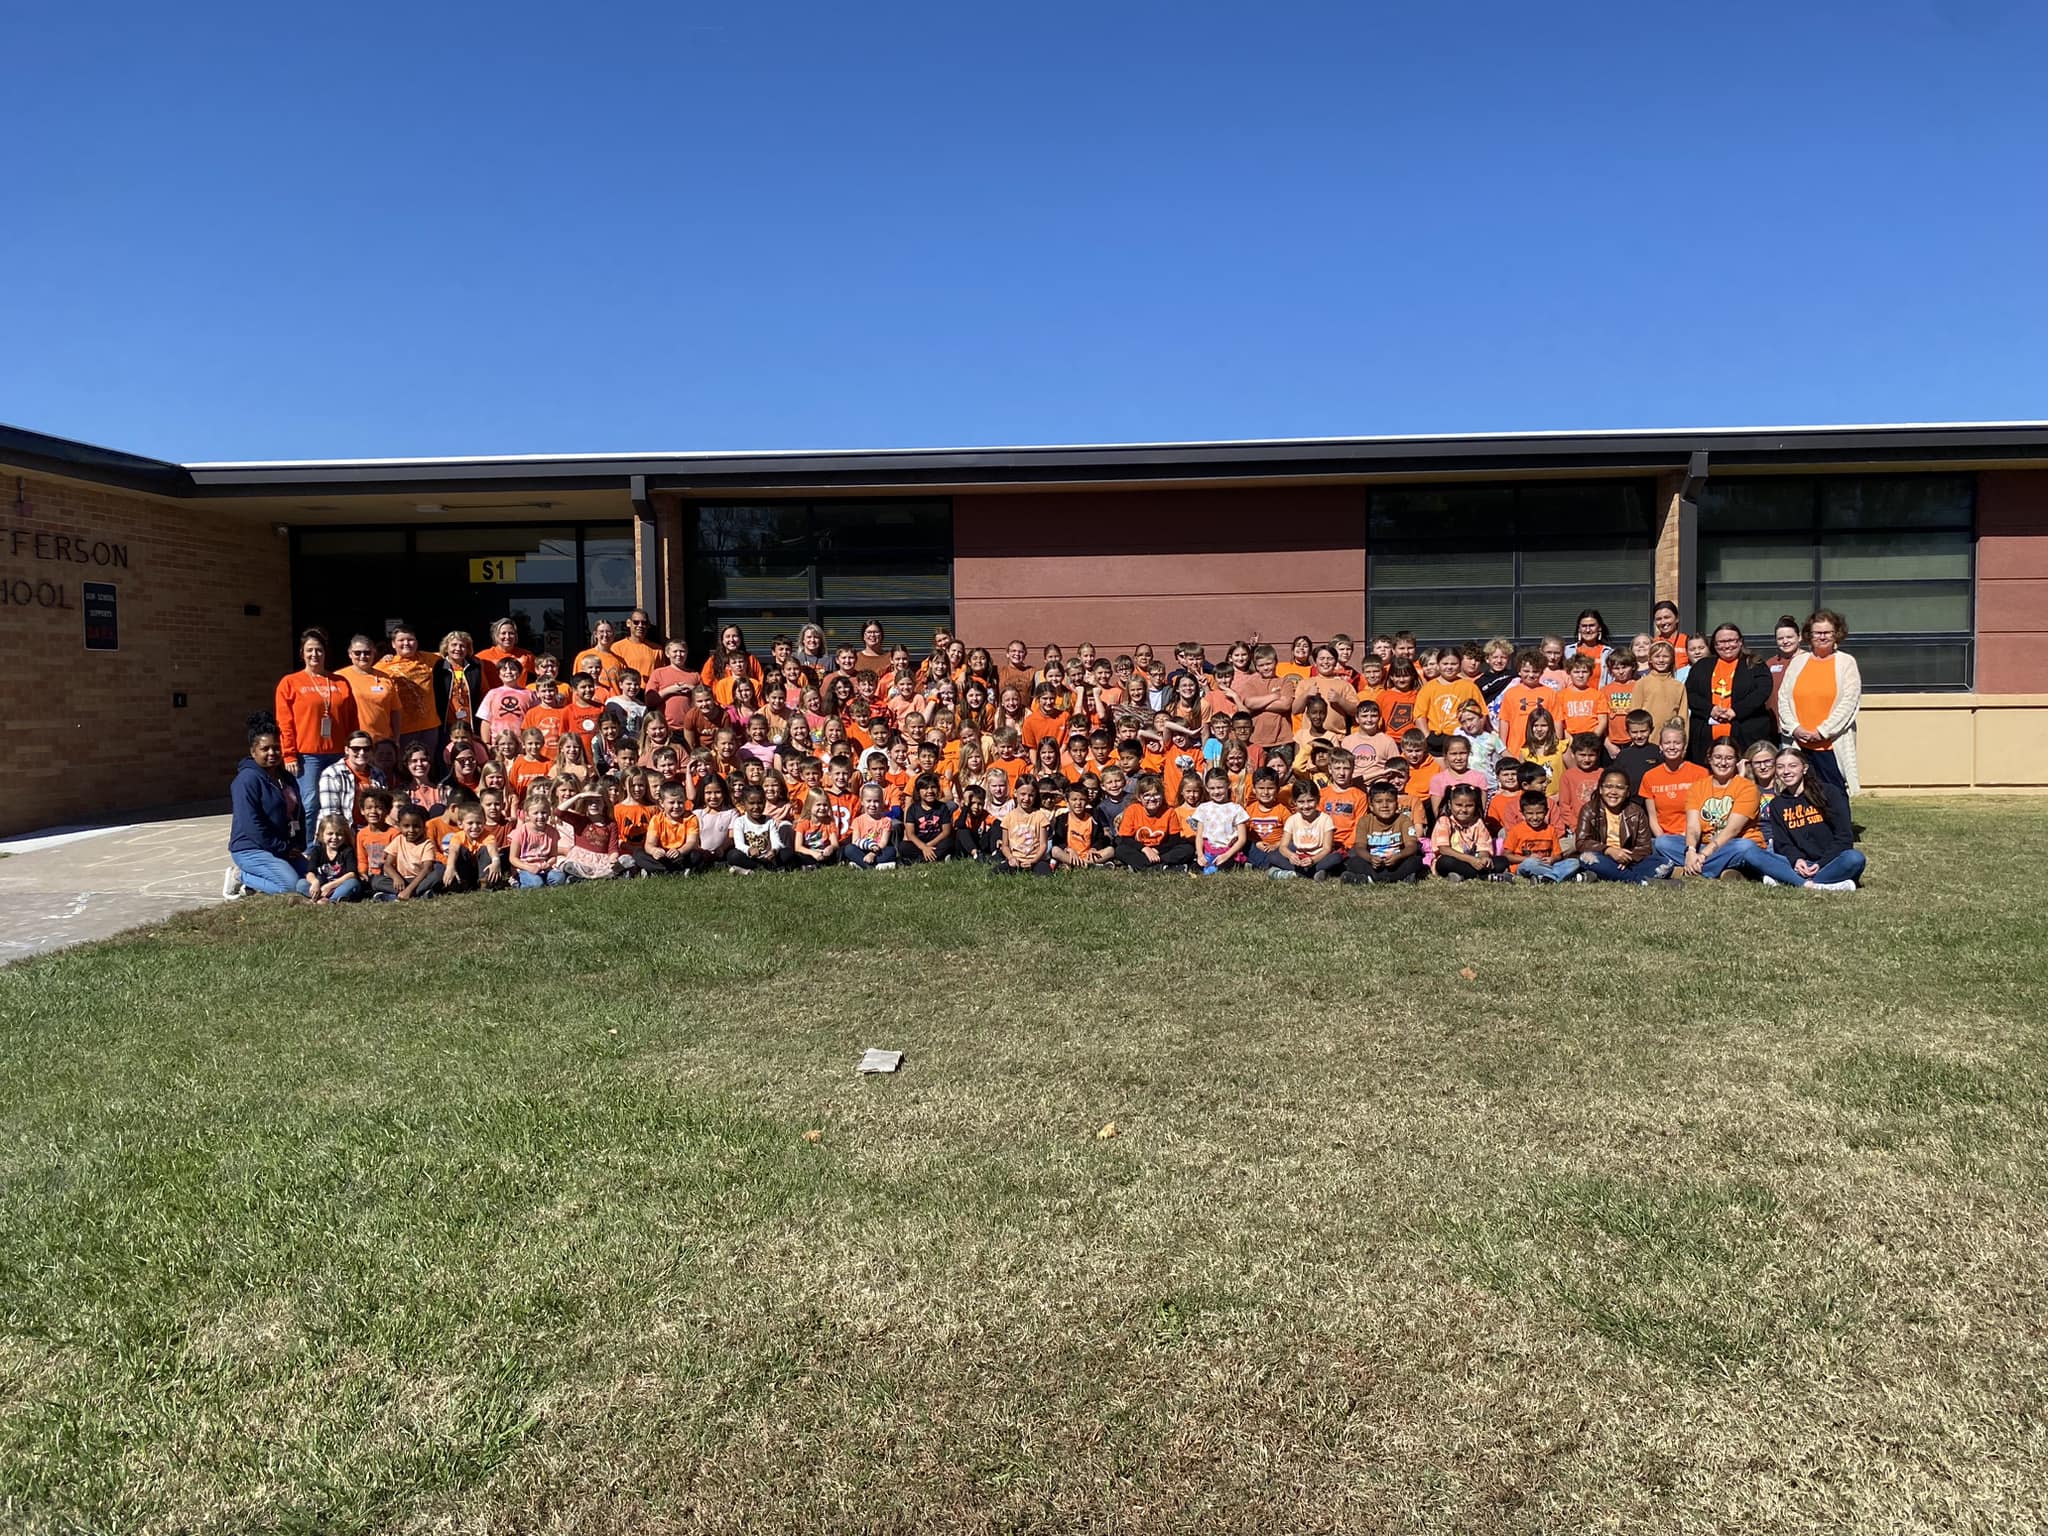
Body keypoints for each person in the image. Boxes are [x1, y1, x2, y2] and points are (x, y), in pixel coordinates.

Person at [274, 628, 358, 855]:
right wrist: (289, 753)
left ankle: (341, 849)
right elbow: (285, 722)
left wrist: (353, 748)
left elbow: (352, 718)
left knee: (341, 803)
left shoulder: (340, 681)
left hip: (339, 753)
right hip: (308, 755)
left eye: (319, 650)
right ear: (302, 653)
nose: (314, 654)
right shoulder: (290, 682)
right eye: (309, 650)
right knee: (311, 804)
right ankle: (309, 851)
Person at [1776, 609, 1863, 797]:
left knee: (1833, 795)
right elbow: (1783, 697)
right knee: (1802, 794)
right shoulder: (1798, 662)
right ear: (1809, 634)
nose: (1822, 637)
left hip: (1830, 745)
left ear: (1836, 634)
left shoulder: (1846, 662)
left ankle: (1838, 827)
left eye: (1827, 632)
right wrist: (1795, 728)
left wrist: (1822, 732)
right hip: (1800, 744)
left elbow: (1849, 703)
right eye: (1817, 632)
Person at [1755, 748, 1866, 890]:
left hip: (1830, 861)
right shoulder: (1777, 804)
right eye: (1780, 767)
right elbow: (1783, 843)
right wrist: (1797, 860)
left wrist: (1821, 864)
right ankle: (1824, 885)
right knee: (1757, 855)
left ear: (1804, 768)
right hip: (1799, 864)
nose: (1786, 771)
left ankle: (1795, 881)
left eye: (1793, 766)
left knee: (1854, 858)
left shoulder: (1828, 792)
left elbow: (1844, 837)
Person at [227, 715, 311, 897]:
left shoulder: (286, 777)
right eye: (265, 749)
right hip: (251, 848)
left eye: (276, 748)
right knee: (289, 887)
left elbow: (298, 814)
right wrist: (283, 848)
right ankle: (240, 876)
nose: (272, 753)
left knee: (313, 877)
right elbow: (252, 825)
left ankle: (266, 881)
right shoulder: (247, 780)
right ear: (253, 752)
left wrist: (298, 844)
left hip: (282, 848)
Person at [1658, 739, 1767, 879]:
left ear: (1736, 761)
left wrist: (1703, 855)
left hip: (1732, 845)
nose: (1722, 763)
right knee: (1663, 842)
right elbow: (1692, 826)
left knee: (1745, 847)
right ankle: (1720, 869)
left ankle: (1692, 870)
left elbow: (1731, 830)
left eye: (1729, 758)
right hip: (1705, 845)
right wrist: (1690, 851)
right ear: (1709, 759)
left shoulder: (1747, 788)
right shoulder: (1698, 787)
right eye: (1718, 757)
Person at [1684, 625, 1773, 763]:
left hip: (1745, 735)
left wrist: (1736, 711)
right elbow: (1690, 693)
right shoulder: (1701, 666)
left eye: (1731, 640)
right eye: (1722, 642)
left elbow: (1762, 691)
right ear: (1714, 644)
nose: (1727, 646)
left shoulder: (1755, 664)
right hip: (1706, 738)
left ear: (1740, 642)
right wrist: (1710, 710)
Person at [1575, 768, 1659, 883]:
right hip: (1602, 856)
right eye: (1608, 787)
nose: (1613, 792)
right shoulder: (1589, 810)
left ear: (1627, 792)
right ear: (1600, 789)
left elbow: (1644, 847)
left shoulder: (1636, 812)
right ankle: (1638, 880)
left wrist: (1627, 859)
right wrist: (1608, 850)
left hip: (1628, 861)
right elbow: (1582, 842)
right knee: (1586, 858)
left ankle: (1605, 874)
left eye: (1619, 788)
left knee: (1664, 863)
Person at [1341, 781, 1423, 883]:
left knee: (1416, 861)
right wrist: (1370, 858)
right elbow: (1359, 847)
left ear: (1397, 804)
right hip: (1374, 863)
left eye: (1389, 801)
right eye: (1379, 802)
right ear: (1371, 806)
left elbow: (1412, 845)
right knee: (1352, 862)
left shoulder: (1403, 820)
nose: (1385, 805)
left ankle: (1369, 879)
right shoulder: (1365, 821)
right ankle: (1400, 877)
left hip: (1397, 862)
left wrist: (1399, 856)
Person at [338, 635, 404, 751]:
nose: (362, 656)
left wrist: (396, 739)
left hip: (382, 743)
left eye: (367, 652)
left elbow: (395, 710)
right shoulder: (339, 678)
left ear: (374, 653)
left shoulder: (385, 678)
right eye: (357, 653)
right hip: (354, 744)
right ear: (350, 654)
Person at [1429, 784, 1506, 881]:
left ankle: (1461, 875)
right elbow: (1444, 849)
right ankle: (1484, 876)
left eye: (1469, 806)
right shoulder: (1444, 821)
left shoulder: (1478, 823)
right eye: (1458, 805)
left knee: (1502, 861)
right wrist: (1470, 860)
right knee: (1445, 862)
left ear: (1475, 805)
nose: (1464, 810)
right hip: (1454, 859)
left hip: (1474, 859)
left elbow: (1483, 846)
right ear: (1450, 804)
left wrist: (1484, 858)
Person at [1502, 791, 1577, 882]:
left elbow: (1558, 855)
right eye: (1530, 813)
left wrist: (1552, 859)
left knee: (1573, 862)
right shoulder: (1516, 830)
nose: (1535, 818)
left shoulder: (1550, 830)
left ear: (1546, 812)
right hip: (1524, 865)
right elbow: (1507, 855)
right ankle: (1559, 875)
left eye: (1539, 813)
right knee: (1530, 863)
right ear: (1522, 813)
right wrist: (1526, 858)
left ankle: (1547, 878)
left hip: (1546, 864)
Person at [1274, 781, 1341, 880]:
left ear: (1317, 800)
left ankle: (1299, 873)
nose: (1306, 806)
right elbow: (1283, 847)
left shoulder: (1325, 819)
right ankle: (1314, 873)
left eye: (1310, 801)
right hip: (1299, 857)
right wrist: (1290, 856)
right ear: (1294, 802)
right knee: (1273, 856)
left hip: (1318, 857)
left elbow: (1327, 848)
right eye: (1301, 802)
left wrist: (1313, 860)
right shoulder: (1292, 820)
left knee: (1336, 858)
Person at [433, 631, 488, 750]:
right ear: (446, 647)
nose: (458, 649)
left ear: (468, 649)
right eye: (454, 645)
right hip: (446, 725)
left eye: (462, 646)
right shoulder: (437, 667)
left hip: (470, 724)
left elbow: (484, 695)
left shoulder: (475, 668)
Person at [1632, 640, 1688, 738]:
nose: (1661, 660)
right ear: (1650, 659)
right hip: (1647, 740)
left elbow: (1684, 718)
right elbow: (1634, 714)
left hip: (1671, 742)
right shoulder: (1642, 683)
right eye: (1657, 656)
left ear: (1672, 659)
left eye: (1665, 656)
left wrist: (1684, 743)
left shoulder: (1679, 686)